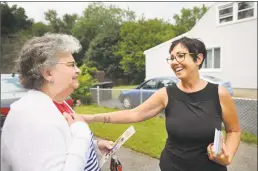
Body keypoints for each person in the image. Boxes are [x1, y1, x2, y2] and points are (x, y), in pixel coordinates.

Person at [82, 37, 241, 171]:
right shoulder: (166, 94)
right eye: (172, 58)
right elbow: (133, 113)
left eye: (180, 56)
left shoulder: (218, 93)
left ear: (198, 58)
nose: (174, 62)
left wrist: (228, 156)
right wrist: (90, 118)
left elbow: (233, 130)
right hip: (172, 166)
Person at [1, 33, 113, 171]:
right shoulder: (34, 116)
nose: (77, 70)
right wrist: (82, 132)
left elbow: (57, 148)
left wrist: (93, 147)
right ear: (48, 73)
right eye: (71, 65)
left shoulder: (57, 103)